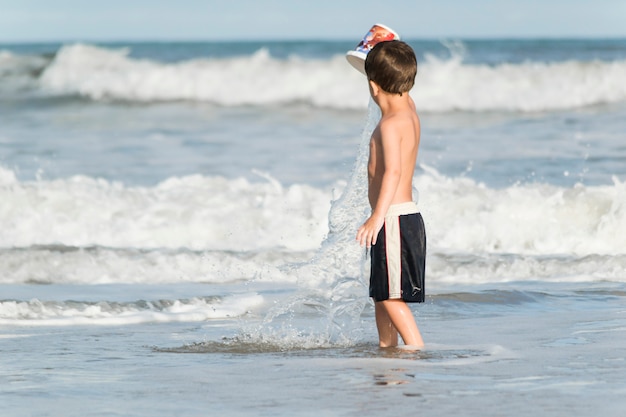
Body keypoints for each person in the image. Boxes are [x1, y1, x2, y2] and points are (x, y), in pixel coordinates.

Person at [355, 40, 426, 348]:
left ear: (373, 87)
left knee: (391, 297)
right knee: (381, 295)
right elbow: (399, 83)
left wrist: (376, 217)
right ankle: (387, 348)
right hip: (402, 219)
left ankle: (416, 349)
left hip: (393, 219)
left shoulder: (389, 125)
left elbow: (392, 173)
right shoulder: (408, 110)